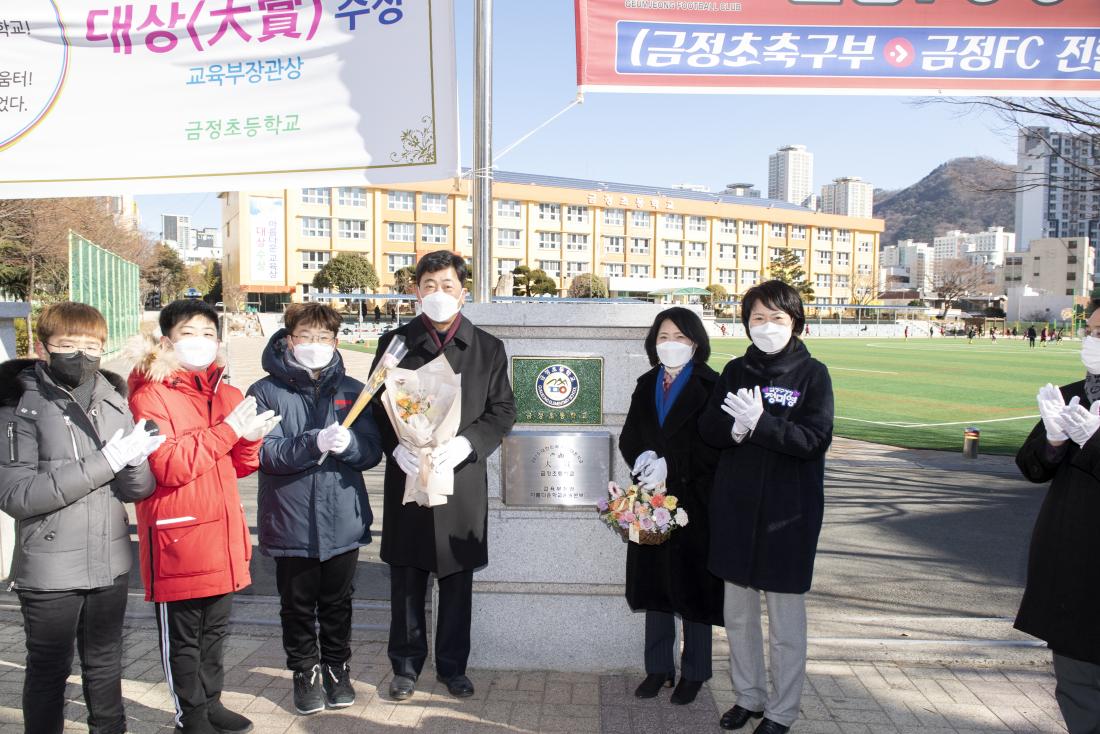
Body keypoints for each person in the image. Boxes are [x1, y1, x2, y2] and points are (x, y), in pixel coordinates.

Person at [0, 302, 162, 734]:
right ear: (43, 347)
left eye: (92, 346)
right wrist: (106, 461)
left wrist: (136, 462)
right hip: (50, 567)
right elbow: (16, 495)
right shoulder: (18, 407)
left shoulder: (113, 398)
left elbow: (136, 490)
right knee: (49, 670)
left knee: (106, 664)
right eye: (68, 345)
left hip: (109, 560)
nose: (82, 355)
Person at [128, 299, 281, 734]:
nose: (200, 342)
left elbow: (240, 465)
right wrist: (229, 431)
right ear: (166, 341)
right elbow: (169, 465)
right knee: (184, 637)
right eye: (188, 333)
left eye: (208, 334)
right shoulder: (150, 395)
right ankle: (189, 715)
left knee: (215, 632)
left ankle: (211, 703)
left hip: (223, 534)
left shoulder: (228, 394)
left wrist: (249, 440)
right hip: (176, 538)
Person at [370, 250, 516, 701]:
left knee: (457, 578)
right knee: (408, 576)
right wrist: (394, 448)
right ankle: (406, 665)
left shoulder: (487, 347)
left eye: (447, 285)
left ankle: (453, 667)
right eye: (428, 285)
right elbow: (374, 403)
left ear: (464, 292)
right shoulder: (394, 343)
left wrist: (468, 443)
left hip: (461, 478)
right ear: (416, 291)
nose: (438, 293)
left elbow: (503, 409)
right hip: (410, 477)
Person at [699, 280, 834, 734]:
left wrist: (762, 424)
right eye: (757, 318)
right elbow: (709, 429)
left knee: (785, 625)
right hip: (736, 509)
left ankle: (781, 711)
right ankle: (749, 696)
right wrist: (735, 431)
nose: (767, 326)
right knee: (738, 617)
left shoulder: (813, 375)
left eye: (777, 317)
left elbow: (814, 441)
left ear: (795, 321)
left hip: (786, 516)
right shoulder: (735, 371)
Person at [247, 303, 383, 715]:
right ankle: (304, 671)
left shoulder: (354, 391)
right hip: (291, 521)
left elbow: (373, 451)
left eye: (324, 338)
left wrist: (352, 446)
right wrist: (313, 443)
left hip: (343, 517)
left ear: (336, 342)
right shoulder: (264, 391)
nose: (315, 345)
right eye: (306, 336)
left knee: (339, 602)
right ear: (289, 339)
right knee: (298, 603)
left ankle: (337, 668)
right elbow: (264, 454)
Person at [618, 308, 724, 706]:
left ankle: (695, 672)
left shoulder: (711, 384)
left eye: (680, 337)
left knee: (695, 587)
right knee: (654, 582)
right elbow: (630, 433)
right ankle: (658, 668)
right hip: (650, 498)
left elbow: (714, 445)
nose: (671, 344)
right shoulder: (646, 383)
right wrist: (643, 456)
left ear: (695, 342)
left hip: (695, 499)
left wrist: (672, 466)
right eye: (664, 336)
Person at [1016, 308, 1100, 733]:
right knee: (1076, 684)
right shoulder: (1074, 396)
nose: (1091, 340)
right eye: (1090, 330)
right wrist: (1052, 440)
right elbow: (1032, 467)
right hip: (1072, 560)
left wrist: (1095, 443)